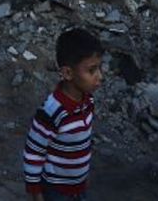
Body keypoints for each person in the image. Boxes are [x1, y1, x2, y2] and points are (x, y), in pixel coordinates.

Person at [23, 27, 103, 200]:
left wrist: (82, 176)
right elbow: (34, 152)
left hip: (78, 187)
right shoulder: (53, 111)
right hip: (55, 190)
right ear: (67, 73)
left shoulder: (87, 102)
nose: (100, 76)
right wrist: (36, 193)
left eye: (99, 69)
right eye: (92, 70)